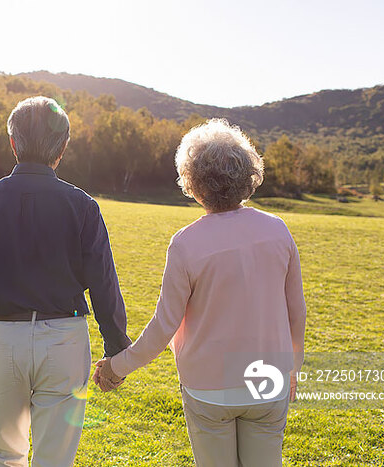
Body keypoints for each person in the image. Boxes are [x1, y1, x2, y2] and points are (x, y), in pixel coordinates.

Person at [94, 118, 307, 467]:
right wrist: (293, 367)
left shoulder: (185, 243)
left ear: (193, 184)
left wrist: (117, 367)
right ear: (247, 176)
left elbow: (163, 327)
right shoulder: (277, 230)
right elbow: (296, 311)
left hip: (210, 389)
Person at [0, 96, 132, 467]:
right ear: (62, 148)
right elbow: (103, 283)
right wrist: (116, 348)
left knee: (5, 453)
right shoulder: (82, 206)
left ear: (13, 143)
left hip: (4, 339)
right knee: (55, 458)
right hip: (64, 339)